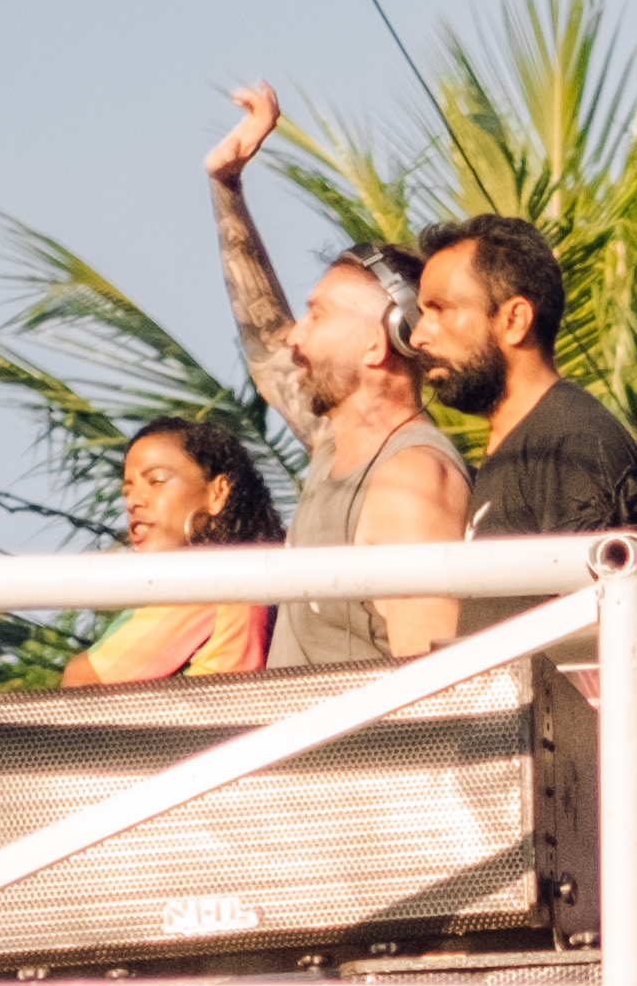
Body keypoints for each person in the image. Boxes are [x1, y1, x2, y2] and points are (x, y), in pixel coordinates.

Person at [201, 88, 475, 664]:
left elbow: (433, 686)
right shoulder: (334, 444)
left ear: (380, 343)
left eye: (318, 315)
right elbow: (265, 339)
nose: (296, 336)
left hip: (358, 757)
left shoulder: (413, 481)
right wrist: (226, 187)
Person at [411, 209, 637, 546]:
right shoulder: (516, 446)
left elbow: (603, 592)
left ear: (514, 321)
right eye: (422, 314)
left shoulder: (571, 443)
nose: (418, 336)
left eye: (440, 310)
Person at [62, 415, 281, 687]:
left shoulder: (209, 577)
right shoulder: (258, 575)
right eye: (126, 491)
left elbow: (85, 680)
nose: (133, 502)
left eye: (157, 480)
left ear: (217, 493)